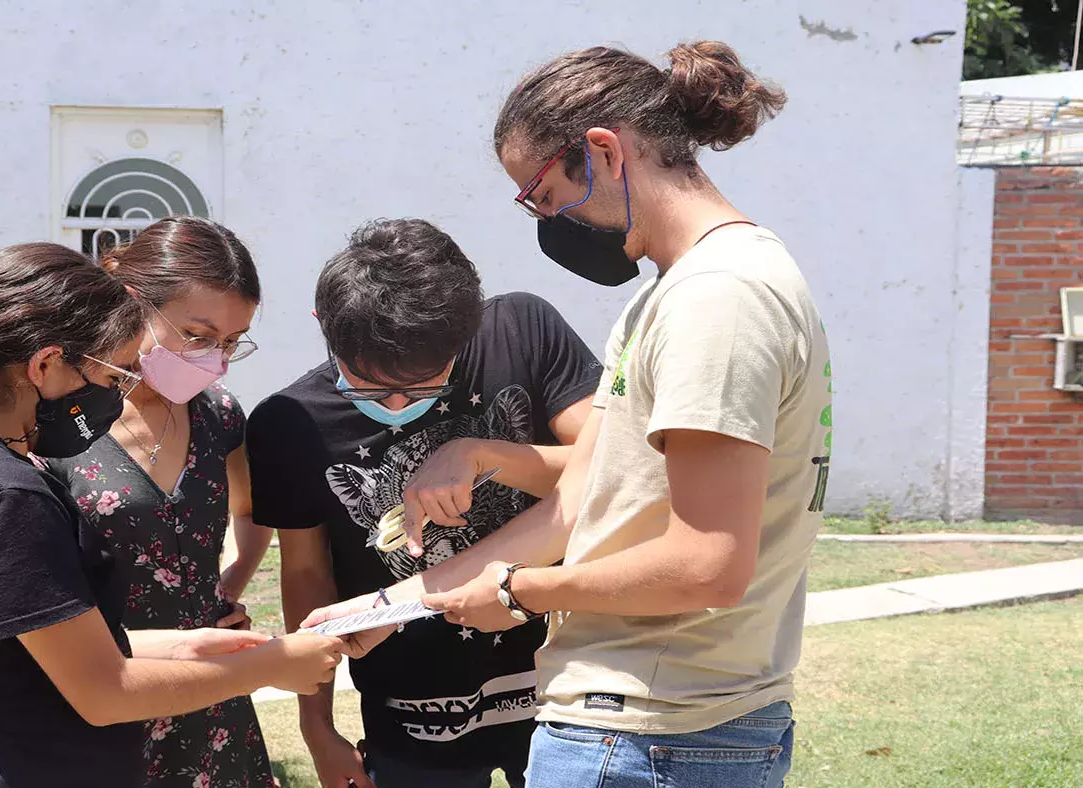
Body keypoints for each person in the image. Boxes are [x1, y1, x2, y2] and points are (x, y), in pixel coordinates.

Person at [303, 42, 831, 788]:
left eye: (544, 197)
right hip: (636, 723)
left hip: (657, 732)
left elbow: (708, 566)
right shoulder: (669, 295)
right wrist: (395, 601)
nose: (546, 222)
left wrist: (520, 592)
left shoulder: (719, 300)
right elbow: (578, 504)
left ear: (605, 152)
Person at [0, 243, 356, 788]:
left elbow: (18, 650)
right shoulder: (3, 499)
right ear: (45, 364)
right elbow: (104, 692)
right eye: (113, 374)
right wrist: (267, 668)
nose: (118, 397)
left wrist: (184, 645)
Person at [246, 218, 602, 788]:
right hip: (411, 711)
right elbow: (307, 573)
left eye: (423, 385)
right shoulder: (290, 424)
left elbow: (618, 473)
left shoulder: (522, 330)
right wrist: (318, 730)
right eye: (366, 385)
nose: (394, 402)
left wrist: (486, 453)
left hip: (562, 686)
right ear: (324, 328)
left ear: (467, 333)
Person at [45, 217, 276, 786]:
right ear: (133, 302)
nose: (214, 358)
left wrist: (228, 585)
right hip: (102, 688)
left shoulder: (217, 413)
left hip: (211, 701)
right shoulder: (53, 414)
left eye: (230, 343)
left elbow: (250, 511)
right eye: (197, 336)